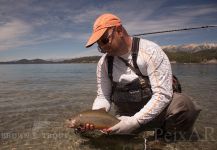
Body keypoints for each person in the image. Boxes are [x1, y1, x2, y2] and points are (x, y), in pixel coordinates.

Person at [71, 13, 201, 136]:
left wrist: (134, 122)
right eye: (99, 46)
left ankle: (162, 141)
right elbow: (103, 96)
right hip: (124, 118)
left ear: (119, 31)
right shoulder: (103, 64)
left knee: (185, 105)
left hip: (156, 114)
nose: (103, 48)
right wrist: (94, 119)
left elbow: (163, 94)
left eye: (105, 41)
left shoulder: (150, 51)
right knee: (81, 131)